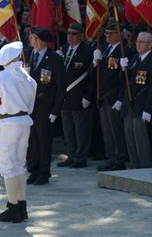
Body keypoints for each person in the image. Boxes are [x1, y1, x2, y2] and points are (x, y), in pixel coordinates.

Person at [0, 41, 37, 223]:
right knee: (19, 164)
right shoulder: (29, 79)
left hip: (8, 123)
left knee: (8, 165)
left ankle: (13, 206)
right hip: (24, 122)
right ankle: (21, 206)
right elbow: (31, 105)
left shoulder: (0, 77)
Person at [26, 27, 65, 185]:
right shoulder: (31, 55)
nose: (32, 40)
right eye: (31, 37)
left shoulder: (54, 58)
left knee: (43, 141)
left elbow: (61, 87)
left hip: (46, 107)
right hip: (31, 106)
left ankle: (44, 172)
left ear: (42, 40)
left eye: (34, 38)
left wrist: (55, 110)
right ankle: (33, 170)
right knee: (32, 141)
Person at [120, 32, 152, 169]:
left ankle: (144, 167)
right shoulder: (134, 59)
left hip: (142, 105)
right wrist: (123, 69)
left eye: (142, 42)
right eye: (137, 41)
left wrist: (148, 109)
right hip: (130, 105)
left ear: (150, 45)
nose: (138, 44)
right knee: (130, 139)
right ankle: (134, 165)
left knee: (141, 140)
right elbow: (127, 82)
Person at [92, 21, 130, 171]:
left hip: (114, 96)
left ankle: (119, 159)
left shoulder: (123, 50)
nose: (107, 36)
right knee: (107, 131)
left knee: (116, 131)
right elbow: (99, 75)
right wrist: (96, 63)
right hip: (103, 96)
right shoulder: (106, 49)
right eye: (106, 33)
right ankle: (111, 157)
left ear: (119, 35)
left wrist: (121, 98)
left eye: (111, 33)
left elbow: (123, 80)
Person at [57, 22, 93, 168]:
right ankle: (71, 155)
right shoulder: (64, 50)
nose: (70, 37)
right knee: (68, 130)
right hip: (65, 98)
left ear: (81, 36)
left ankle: (80, 157)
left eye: (73, 34)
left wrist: (88, 96)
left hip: (79, 97)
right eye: (68, 34)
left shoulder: (87, 51)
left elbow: (92, 77)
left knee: (81, 130)